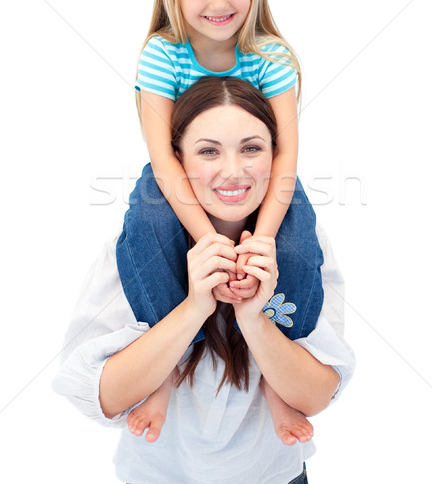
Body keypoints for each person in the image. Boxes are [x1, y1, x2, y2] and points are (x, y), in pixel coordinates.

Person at [53, 78, 355, 484]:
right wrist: (195, 307)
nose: (233, 171)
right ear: (177, 161)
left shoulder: (302, 247)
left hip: (275, 475)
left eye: (252, 148)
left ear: (276, 156)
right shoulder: (137, 250)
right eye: (209, 151)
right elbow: (100, 396)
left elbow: (315, 397)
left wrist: (254, 319)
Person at [116, 0, 325, 446]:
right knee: (148, 234)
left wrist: (261, 238)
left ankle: (279, 373)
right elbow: (164, 158)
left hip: (264, 182)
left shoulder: (271, 55)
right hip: (180, 183)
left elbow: (285, 156)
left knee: (299, 253)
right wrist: (211, 242)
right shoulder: (162, 55)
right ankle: (166, 365)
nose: (219, 2)